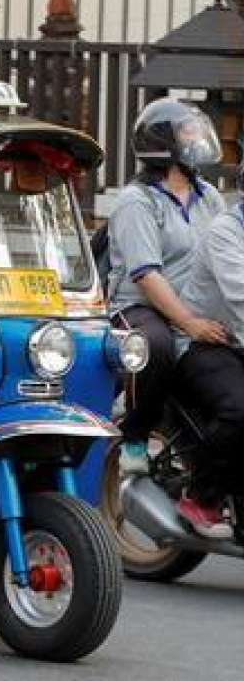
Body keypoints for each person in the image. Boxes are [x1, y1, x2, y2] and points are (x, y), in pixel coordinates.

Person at [106, 98, 227, 475]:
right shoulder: (137, 201)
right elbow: (146, 276)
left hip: (197, 306)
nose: (197, 137)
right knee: (156, 346)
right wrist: (189, 323)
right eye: (187, 131)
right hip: (140, 308)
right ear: (162, 143)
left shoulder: (210, 196)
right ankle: (135, 436)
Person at [172, 161, 244, 539]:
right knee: (239, 410)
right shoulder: (225, 233)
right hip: (205, 340)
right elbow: (241, 296)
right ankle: (202, 495)